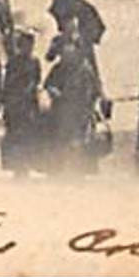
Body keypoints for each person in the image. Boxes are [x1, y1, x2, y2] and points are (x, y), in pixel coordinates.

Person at [44, 36, 103, 175]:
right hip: (61, 111)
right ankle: (59, 169)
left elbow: (93, 90)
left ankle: (78, 171)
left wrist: (87, 105)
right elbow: (48, 84)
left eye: (71, 50)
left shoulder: (84, 69)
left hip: (80, 112)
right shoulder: (59, 68)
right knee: (60, 141)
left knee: (78, 142)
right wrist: (53, 91)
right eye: (65, 51)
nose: (67, 53)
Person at [0, 30, 42, 177]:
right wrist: (5, 102)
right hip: (15, 105)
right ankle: (18, 168)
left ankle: (25, 166)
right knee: (15, 137)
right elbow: (7, 84)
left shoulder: (35, 62)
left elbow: (37, 81)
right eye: (25, 44)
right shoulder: (14, 62)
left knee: (28, 136)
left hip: (28, 105)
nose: (28, 48)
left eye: (31, 45)